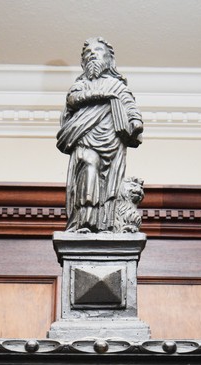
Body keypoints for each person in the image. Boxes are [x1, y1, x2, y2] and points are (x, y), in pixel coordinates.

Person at [57, 37, 144, 233]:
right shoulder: (81, 85)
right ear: (83, 62)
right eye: (88, 52)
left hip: (112, 141)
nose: (93, 54)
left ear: (110, 60)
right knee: (88, 168)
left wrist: (136, 122)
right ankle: (84, 222)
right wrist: (103, 96)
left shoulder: (117, 86)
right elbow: (73, 100)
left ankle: (105, 225)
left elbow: (130, 106)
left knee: (109, 184)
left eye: (98, 50)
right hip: (85, 138)